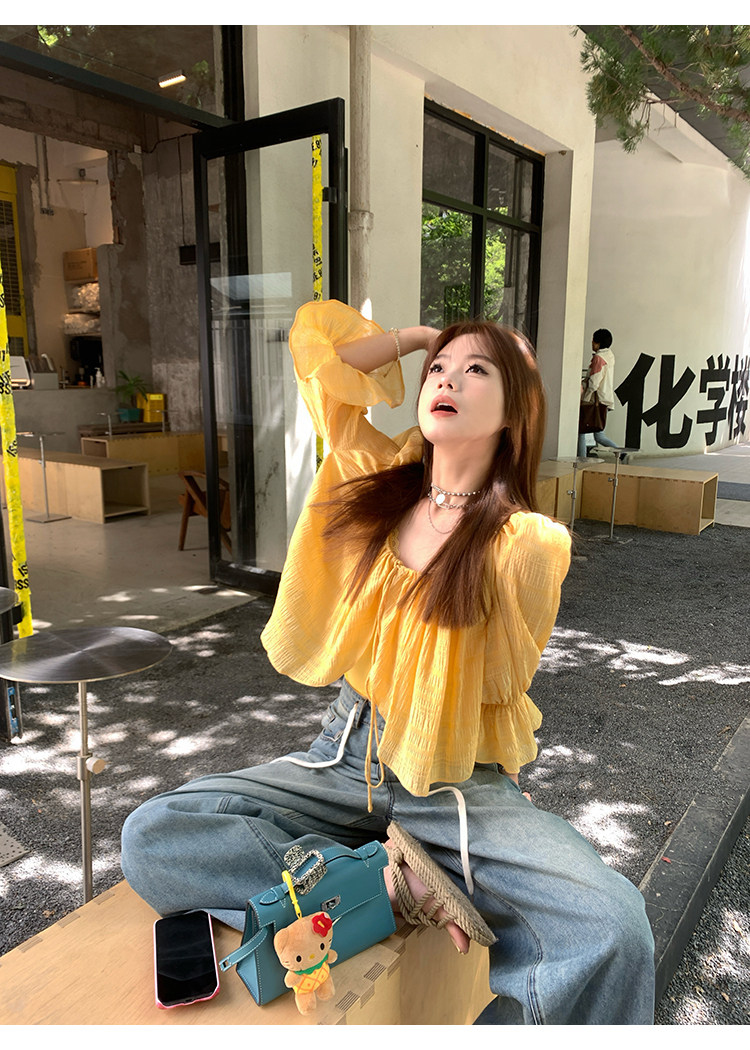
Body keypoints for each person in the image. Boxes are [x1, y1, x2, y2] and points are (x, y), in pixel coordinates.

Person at [121, 300, 655, 1024]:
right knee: (155, 833)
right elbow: (321, 364)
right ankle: (389, 884)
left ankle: (372, 884)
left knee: (613, 926)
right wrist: (417, 337)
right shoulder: (384, 473)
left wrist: (509, 794)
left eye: (477, 371)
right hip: (345, 754)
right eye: (439, 369)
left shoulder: (528, 543)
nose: (447, 379)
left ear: (515, 412)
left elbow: (505, 685)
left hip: (452, 774)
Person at [577, 328, 622, 459]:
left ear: (598, 343)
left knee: (582, 431)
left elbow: (594, 383)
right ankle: (621, 453)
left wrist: (585, 397)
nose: (592, 343)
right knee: (599, 435)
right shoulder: (609, 356)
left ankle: (582, 459)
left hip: (595, 401)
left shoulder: (598, 358)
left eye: (593, 340)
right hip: (605, 399)